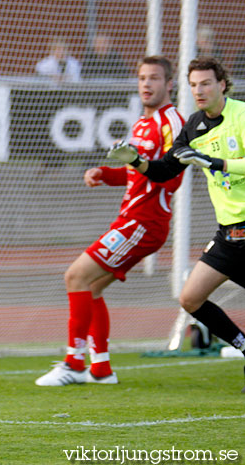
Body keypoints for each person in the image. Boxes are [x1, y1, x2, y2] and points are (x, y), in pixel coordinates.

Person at [36, 56, 185, 386]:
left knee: (75, 275)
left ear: (169, 84)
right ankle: (100, 369)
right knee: (90, 288)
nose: (147, 84)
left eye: (155, 78)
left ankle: (74, 364)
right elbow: (137, 173)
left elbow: (172, 177)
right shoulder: (141, 123)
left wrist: (139, 162)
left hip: (145, 221)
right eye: (143, 77)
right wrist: (104, 173)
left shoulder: (172, 123)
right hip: (131, 218)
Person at [108, 56, 245, 388]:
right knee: (190, 298)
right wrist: (137, 161)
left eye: (206, 83)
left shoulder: (242, 115)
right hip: (229, 233)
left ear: (222, 84)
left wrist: (214, 161)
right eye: (194, 85)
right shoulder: (194, 126)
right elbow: (165, 170)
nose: (199, 90)